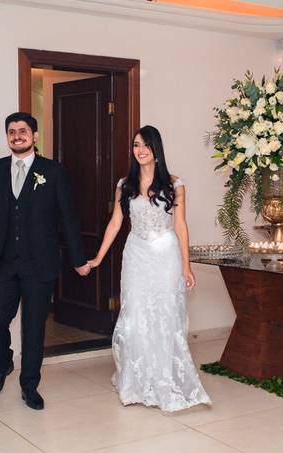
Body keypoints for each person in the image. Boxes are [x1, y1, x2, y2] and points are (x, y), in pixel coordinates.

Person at [0, 112, 91, 410]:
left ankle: (29, 385)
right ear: (7, 137)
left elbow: (68, 217)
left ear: (34, 136)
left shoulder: (53, 171)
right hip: (3, 262)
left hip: (39, 264)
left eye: (23, 130)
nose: (17, 135)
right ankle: (2, 364)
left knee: (34, 328)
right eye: (12, 131)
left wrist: (78, 259)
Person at [87, 125, 211, 412]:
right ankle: (137, 380)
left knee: (165, 314)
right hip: (136, 255)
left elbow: (180, 226)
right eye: (136, 145)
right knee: (136, 314)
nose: (140, 150)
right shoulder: (124, 184)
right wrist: (99, 256)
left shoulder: (175, 184)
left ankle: (165, 379)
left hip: (166, 255)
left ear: (156, 150)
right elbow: (116, 223)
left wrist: (186, 266)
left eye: (145, 145)